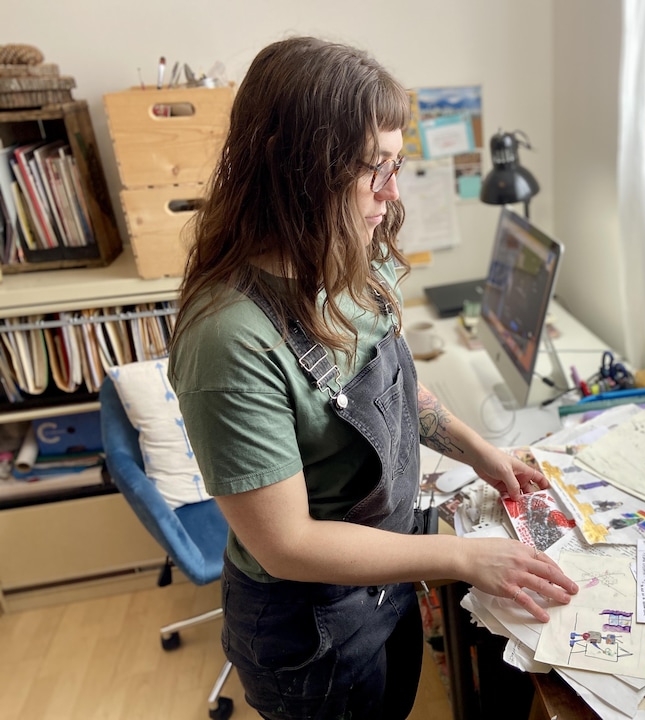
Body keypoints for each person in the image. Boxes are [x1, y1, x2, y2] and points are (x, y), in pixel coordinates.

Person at [167, 36, 579, 720]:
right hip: (311, 632)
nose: (392, 193)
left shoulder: (354, 254)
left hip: (383, 585)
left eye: (397, 164)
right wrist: (462, 558)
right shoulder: (228, 339)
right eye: (374, 169)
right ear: (299, 171)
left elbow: (393, 390)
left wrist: (481, 452)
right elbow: (287, 544)